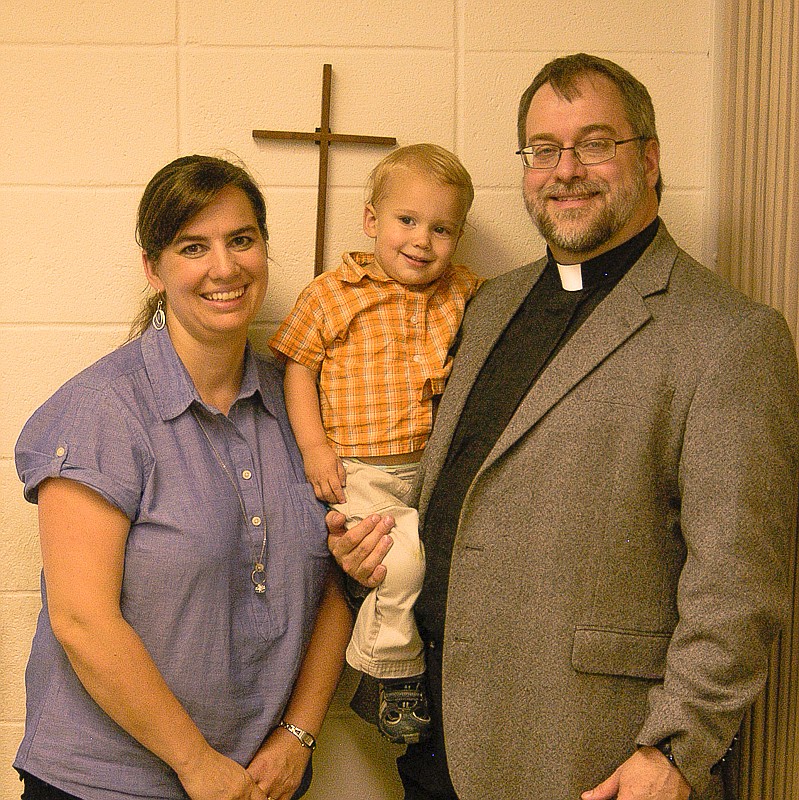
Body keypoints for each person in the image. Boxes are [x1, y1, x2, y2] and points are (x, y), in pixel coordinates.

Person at [328, 53, 799, 800]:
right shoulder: (488, 306)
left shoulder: (729, 336)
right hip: (438, 746)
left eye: (595, 142)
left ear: (647, 158)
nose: (565, 169)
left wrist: (676, 752)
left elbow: (737, 587)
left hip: (590, 757)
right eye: (542, 150)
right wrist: (373, 562)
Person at [14, 155, 353, 800]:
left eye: (242, 240)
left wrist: (296, 737)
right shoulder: (99, 413)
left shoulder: (300, 406)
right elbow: (82, 621)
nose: (224, 268)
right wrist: (196, 764)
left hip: (258, 782)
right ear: (153, 268)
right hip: (102, 786)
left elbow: (336, 584)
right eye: (193, 247)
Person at [269, 144, 482, 745]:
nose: (422, 241)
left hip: (433, 468)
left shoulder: (464, 294)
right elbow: (296, 366)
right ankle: (393, 673)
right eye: (406, 221)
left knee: (441, 566)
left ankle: (391, 661)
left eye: (442, 228)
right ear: (371, 222)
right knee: (399, 561)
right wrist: (314, 448)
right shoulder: (334, 292)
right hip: (359, 468)